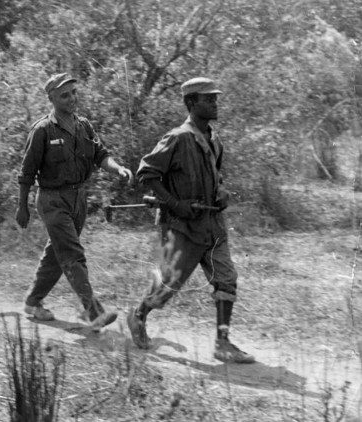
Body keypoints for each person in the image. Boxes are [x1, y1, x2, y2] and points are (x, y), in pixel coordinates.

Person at [126, 77, 255, 363]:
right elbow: (146, 173)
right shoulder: (177, 138)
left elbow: (216, 177)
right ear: (190, 103)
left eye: (215, 98)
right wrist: (175, 204)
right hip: (181, 227)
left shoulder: (214, 139)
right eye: (208, 99)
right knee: (168, 285)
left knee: (226, 279)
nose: (214, 103)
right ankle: (138, 316)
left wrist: (221, 194)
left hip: (213, 225)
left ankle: (223, 343)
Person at [16, 73, 133, 331]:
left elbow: (101, 155)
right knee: (71, 252)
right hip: (52, 200)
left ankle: (33, 302)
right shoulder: (42, 130)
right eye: (64, 95)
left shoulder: (84, 126)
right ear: (52, 98)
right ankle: (92, 310)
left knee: (57, 255)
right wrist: (22, 206)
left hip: (78, 198)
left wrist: (119, 169)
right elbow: (26, 173)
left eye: (73, 93)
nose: (71, 99)